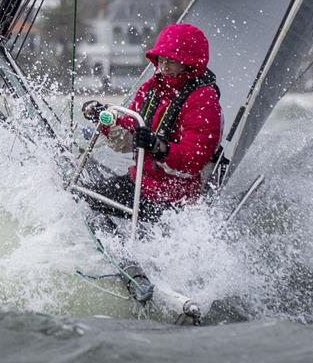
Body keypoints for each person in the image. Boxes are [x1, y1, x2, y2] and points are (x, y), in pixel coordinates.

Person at [81, 23, 223, 226]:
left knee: (91, 199)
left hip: (176, 201)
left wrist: (158, 147)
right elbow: (129, 126)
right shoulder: (151, 88)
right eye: (161, 58)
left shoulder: (203, 100)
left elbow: (195, 158)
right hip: (140, 184)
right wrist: (103, 116)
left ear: (190, 63)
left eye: (172, 61)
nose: (164, 66)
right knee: (84, 198)